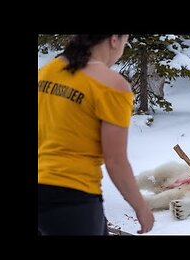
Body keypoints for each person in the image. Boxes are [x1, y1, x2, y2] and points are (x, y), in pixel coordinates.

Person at [38, 35, 154, 235]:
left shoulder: (48, 70)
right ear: (114, 40)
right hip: (73, 197)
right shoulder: (112, 85)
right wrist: (141, 207)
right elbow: (115, 161)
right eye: (125, 42)